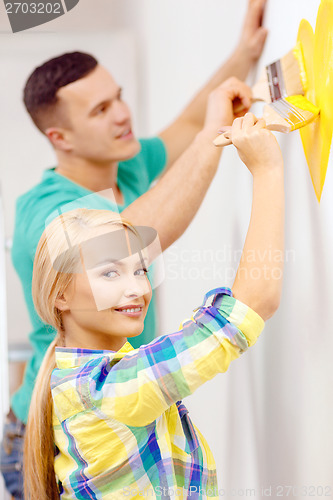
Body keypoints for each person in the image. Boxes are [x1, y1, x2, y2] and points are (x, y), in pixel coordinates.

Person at [0, 1, 268, 497]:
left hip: (124, 400)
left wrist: (246, 53)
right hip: (64, 422)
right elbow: (134, 239)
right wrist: (219, 137)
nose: (123, 114)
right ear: (60, 137)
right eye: (100, 110)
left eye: (118, 97)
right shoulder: (46, 211)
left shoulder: (127, 165)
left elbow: (190, 121)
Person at [23, 113, 284, 499]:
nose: (137, 290)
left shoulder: (88, 375)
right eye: (110, 274)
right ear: (60, 294)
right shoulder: (105, 388)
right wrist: (268, 169)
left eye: (140, 270)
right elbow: (252, 305)